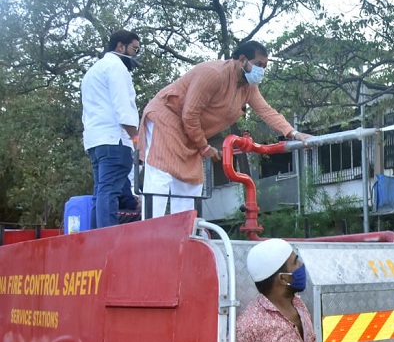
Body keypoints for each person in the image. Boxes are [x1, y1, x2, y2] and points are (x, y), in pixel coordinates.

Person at [138, 40, 312, 217]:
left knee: (191, 183)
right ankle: (149, 232)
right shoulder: (213, 73)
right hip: (167, 117)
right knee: (161, 173)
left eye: (265, 66)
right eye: (258, 64)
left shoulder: (249, 87)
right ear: (242, 59)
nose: (262, 70)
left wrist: (293, 133)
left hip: (191, 132)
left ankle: (182, 235)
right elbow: (189, 114)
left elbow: (266, 111)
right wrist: (203, 146)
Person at [80, 29, 142, 228]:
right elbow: (123, 107)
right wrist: (137, 139)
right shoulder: (116, 67)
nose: (135, 55)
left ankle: (95, 242)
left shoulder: (93, 71)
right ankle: (108, 243)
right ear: (120, 46)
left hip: (95, 141)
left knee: (101, 191)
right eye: (134, 49)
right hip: (115, 140)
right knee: (109, 192)